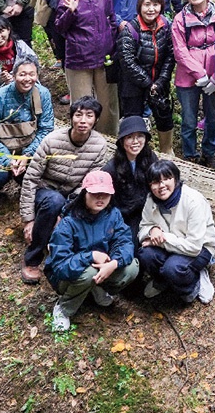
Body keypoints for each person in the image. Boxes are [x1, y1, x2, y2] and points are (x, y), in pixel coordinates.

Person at [19, 95, 112, 284]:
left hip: (72, 195)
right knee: (54, 201)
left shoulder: (99, 145)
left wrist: (66, 211)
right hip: (43, 190)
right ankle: (32, 259)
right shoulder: (52, 140)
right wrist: (28, 219)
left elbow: (88, 184)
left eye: (89, 115)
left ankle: (68, 264)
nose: (83, 121)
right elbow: (30, 178)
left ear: (96, 120)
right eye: (78, 115)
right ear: (71, 117)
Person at [45, 169, 139, 332]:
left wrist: (114, 264)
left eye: (105, 194)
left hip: (100, 267)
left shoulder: (113, 214)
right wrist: (91, 256)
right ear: (84, 193)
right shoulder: (68, 222)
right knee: (89, 273)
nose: (100, 198)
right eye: (95, 193)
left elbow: (125, 242)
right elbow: (60, 267)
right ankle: (64, 308)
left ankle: (98, 288)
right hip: (68, 277)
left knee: (132, 267)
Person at [53, 0, 119, 138]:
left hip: (104, 57)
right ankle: (82, 139)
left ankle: (109, 140)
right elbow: (59, 28)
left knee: (108, 105)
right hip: (78, 58)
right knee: (81, 105)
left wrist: (112, 44)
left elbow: (111, 19)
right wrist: (70, 12)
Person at [137, 160, 215, 304]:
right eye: (155, 182)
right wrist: (152, 230)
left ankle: (192, 284)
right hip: (173, 245)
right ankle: (162, 281)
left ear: (176, 179)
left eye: (167, 179)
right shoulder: (151, 200)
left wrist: (162, 238)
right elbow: (143, 227)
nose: (161, 186)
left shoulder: (193, 201)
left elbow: (194, 247)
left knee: (173, 268)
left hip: (200, 248)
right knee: (145, 254)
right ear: (150, 185)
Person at [0, 58, 54, 212]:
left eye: (32, 74)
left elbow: (46, 129)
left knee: (35, 176)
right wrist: (7, 159)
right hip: (3, 150)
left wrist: (27, 155)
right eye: (22, 74)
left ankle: (30, 196)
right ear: (13, 76)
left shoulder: (43, 94)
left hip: (29, 149)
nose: (27, 79)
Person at [171, 0, 215, 166]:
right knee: (189, 119)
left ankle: (209, 153)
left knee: (213, 117)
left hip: (214, 74)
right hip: (188, 76)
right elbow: (180, 50)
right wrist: (199, 74)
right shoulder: (180, 19)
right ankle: (189, 154)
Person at [117, 0, 174, 154]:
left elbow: (171, 56)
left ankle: (167, 151)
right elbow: (127, 62)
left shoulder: (165, 26)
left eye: (155, 5)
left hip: (158, 81)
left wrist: (161, 81)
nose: (151, 9)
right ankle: (133, 153)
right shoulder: (130, 29)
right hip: (134, 84)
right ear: (140, 6)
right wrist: (148, 83)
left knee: (164, 116)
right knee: (133, 120)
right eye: (147, 4)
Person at [107, 115, 158, 240]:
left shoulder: (151, 158)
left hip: (148, 214)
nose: (135, 142)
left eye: (140, 136)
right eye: (130, 137)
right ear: (122, 141)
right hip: (122, 215)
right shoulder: (111, 168)